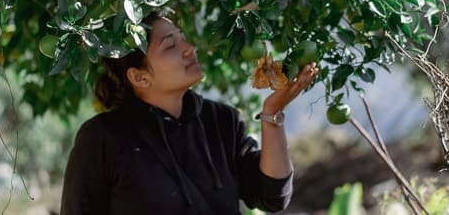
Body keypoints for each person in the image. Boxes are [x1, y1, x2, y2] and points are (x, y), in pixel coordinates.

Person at [60, 11, 319, 215]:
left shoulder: (221, 122)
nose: (189, 48)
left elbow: (273, 197)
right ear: (139, 77)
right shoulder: (104, 138)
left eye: (183, 38)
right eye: (171, 46)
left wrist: (272, 114)